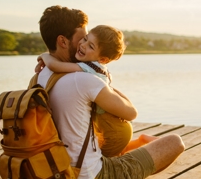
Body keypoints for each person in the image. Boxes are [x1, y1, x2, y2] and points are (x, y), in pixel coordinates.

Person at [35, 5, 185, 179]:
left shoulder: (40, 76)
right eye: (82, 38)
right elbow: (131, 112)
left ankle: (136, 151)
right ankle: (132, 163)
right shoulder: (84, 80)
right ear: (63, 41)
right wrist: (105, 82)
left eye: (88, 42)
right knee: (175, 142)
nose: (83, 43)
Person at [38, 24, 157, 157]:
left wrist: (45, 55)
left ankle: (143, 142)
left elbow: (55, 66)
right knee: (116, 153)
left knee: (107, 154)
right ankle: (142, 141)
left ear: (103, 59)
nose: (83, 45)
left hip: (110, 128)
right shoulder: (98, 68)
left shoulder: (88, 68)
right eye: (85, 39)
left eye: (91, 46)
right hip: (110, 125)